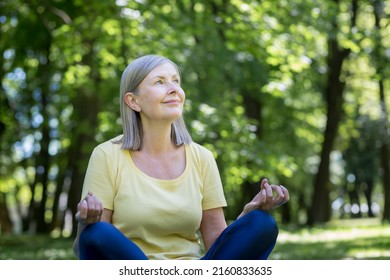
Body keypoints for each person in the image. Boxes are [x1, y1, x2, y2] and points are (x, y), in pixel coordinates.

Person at [72, 54, 289, 260]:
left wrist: (247, 213)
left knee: (262, 223)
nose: (174, 89)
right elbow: (89, 245)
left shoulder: (202, 157)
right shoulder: (107, 155)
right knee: (97, 231)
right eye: (160, 82)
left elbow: (218, 246)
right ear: (133, 101)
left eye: (176, 81)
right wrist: (85, 224)